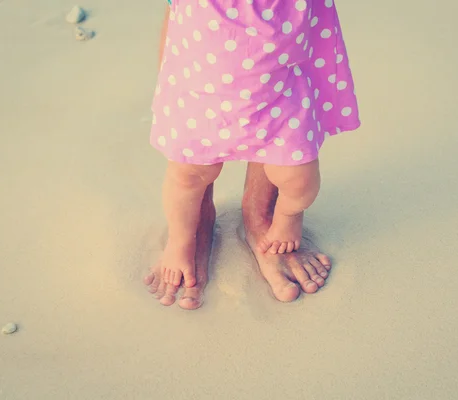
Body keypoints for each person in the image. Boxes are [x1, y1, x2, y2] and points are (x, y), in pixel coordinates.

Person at [144, 0, 360, 309]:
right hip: (199, 82)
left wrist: (290, 217)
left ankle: (272, 217)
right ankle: (184, 235)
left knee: (297, 177)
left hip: (282, 90)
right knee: (188, 174)